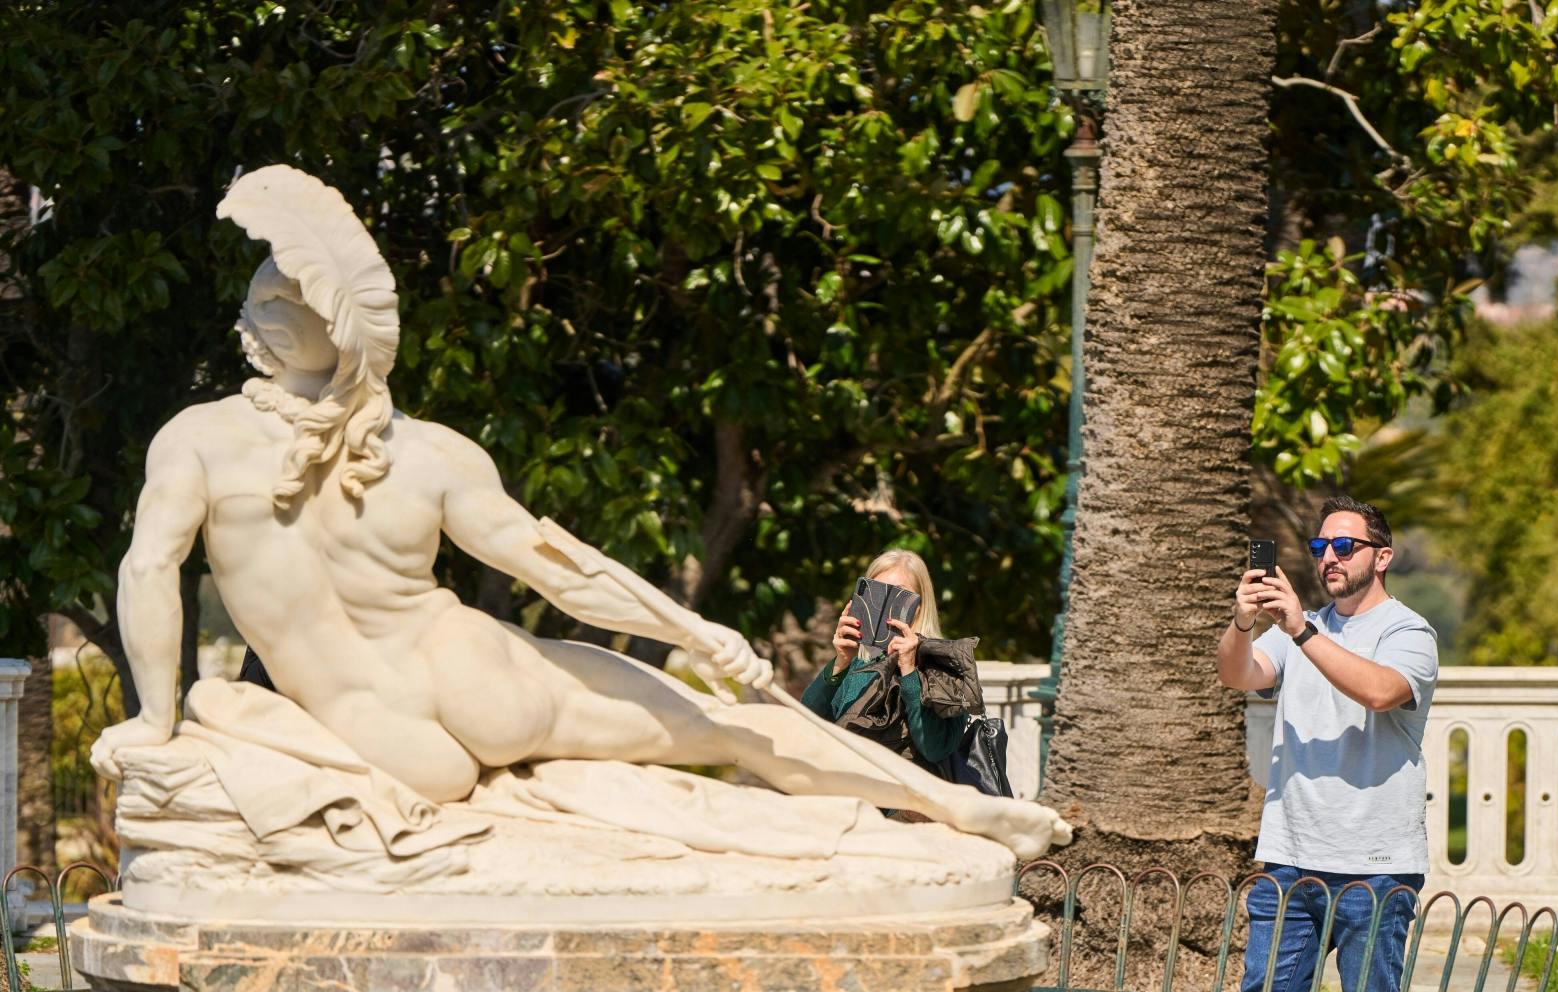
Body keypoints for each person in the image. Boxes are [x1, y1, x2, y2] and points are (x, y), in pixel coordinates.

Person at [89, 164, 1068, 861]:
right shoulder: (430, 452)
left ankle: (950, 807)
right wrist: (693, 630)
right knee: (727, 728)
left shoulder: (198, 440)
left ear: (310, 328)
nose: (248, 310)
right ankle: (951, 806)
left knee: (224, 703)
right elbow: (558, 568)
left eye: (266, 295)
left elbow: (147, 571)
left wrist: (161, 716)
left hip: (393, 742)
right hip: (481, 669)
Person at [1167, 495, 1439, 992]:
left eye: (1345, 546)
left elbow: (1380, 692)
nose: (1329, 558)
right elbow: (1237, 674)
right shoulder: (1298, 631)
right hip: (1290, 858)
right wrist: (1242, 621)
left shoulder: (1408, 631)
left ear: (1382, 554)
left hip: (1376, 868)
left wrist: (1301, 632)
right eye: (1321, 546)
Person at [801, 550, 974, 773]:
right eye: (878, 593)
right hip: (847, 793)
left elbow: (935, 748)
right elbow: (805, 723)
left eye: (900, 596)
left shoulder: (945, 667)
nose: (886, 608)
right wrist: (840, 662)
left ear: (920, 606)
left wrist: (909, 671)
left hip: (906, 800)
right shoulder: (857, 666)